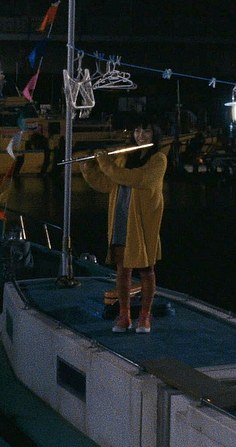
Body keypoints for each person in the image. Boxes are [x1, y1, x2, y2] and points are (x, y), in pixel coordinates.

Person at [80, 114, 167, 334]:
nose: (140, 136)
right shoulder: (124, 157)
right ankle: (124, 315)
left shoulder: (158, 160)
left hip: (142, 223)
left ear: (155, 134)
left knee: (146, 269)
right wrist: (89, 168)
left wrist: (105, 163)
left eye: (146, 131)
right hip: (121, 217)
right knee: (122, 269)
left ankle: (145, 316)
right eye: (137, 131)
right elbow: (106, 183)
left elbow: (136, 178)